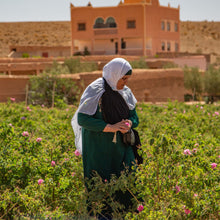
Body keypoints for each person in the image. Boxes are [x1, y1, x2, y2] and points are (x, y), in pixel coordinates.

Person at [71, 57, 140, 219]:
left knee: (128, 176)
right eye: (123, 78)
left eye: (127, 79)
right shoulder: (95, 90)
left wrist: (129, 124)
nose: (125, 82)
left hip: (122, 147)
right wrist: (111, 127)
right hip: (98, 147)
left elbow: (135, 118)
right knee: (100, 181)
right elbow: (83, 119)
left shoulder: (125, 92)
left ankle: (125, 213)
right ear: (114, 75)